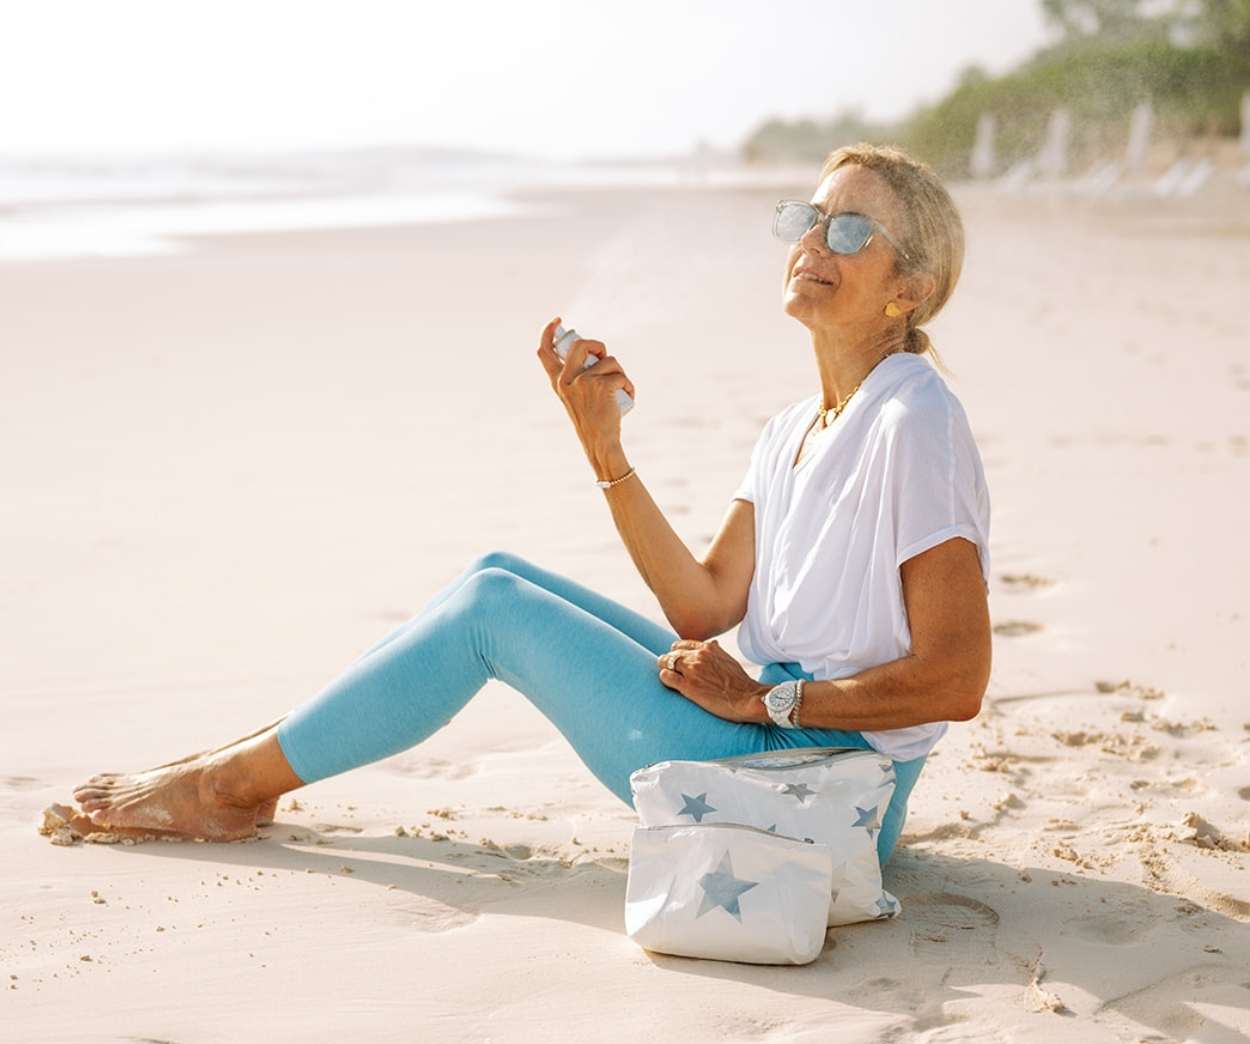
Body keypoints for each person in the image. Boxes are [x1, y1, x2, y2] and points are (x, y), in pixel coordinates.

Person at [65, 141, 992, 866]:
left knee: (491, 612)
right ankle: (250, 763)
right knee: (496, 573)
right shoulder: (794, 426)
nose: (813, 242)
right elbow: (704, 605)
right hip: (775, 745)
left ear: (908, 290)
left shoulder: (915, 420)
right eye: (808, 218)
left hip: (825, 792)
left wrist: (763, 699)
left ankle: (225, 788)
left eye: (849, 231)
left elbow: (956, 679)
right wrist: (604, 448)